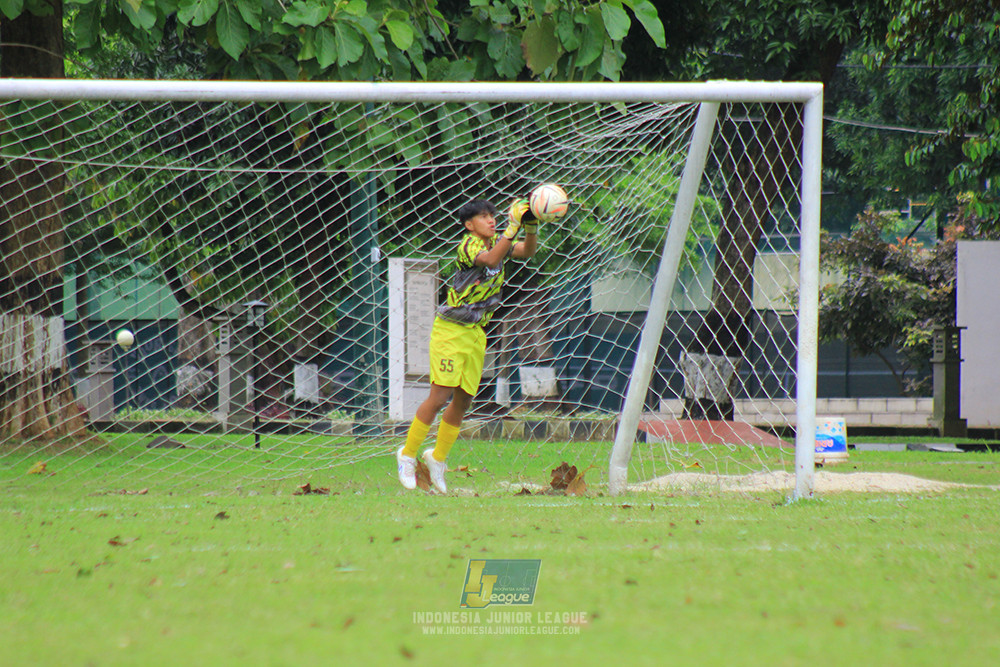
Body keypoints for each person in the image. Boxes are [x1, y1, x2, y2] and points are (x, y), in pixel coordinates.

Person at [396, 197, 538, 493]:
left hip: (476, 332)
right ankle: (407, 455)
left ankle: (437, 458)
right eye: (484, 216)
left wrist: (531, 227)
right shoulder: (469, 245)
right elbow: (489, 261)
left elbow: (527, 251)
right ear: (469, 224)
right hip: (450, 330)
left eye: (493, 215)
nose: (491, 220)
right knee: (439, 396)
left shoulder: (499, 242)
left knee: (463, 400)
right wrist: (513, 227)